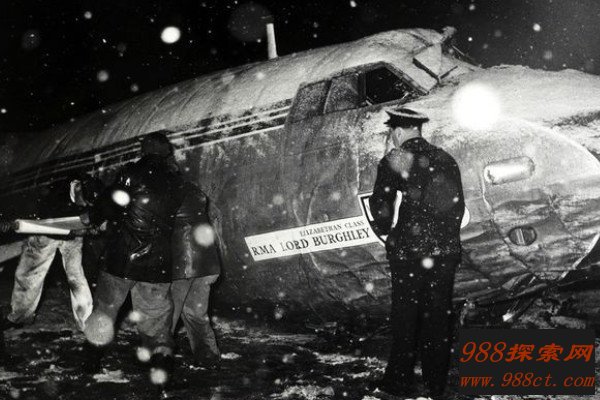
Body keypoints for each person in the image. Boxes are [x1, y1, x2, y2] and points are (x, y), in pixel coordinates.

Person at [369, 108, 464, 399]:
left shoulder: (397, 158)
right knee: (438, 318)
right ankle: (436, 385)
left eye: (392, 134)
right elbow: (457, 206)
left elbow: (381, 205)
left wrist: (385, 230)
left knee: (406, 318)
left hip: (410, 253)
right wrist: (444, 240)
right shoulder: (445, 158)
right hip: (444, 252)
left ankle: (399, 382)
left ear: (397, 132)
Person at [83, 132, 184, 385]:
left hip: (121, 259)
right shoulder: (176, 180)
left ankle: (91, 362)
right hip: (157, 264)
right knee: (157, 323)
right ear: (167, 152)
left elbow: (110, 204)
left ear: (144, 151)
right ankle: (162, 372)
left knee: (105, 311)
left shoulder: (132, 173)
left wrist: (94, 218)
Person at [2, 175, 101, 332]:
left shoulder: (93, 187)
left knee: (76, 277)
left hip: (75, 234)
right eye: (83, 202)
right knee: (30, 275)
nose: (84, 206)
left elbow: (97, 215)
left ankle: (86, 321)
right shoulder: (52, 191)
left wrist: (94, 225)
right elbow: (32, 213)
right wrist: (11, 221)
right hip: (45, 233)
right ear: (77, 188)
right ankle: (20, 317)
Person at [171, 180, 222, 368]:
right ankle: (208, 358)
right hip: (206, 265)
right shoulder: (194, 192)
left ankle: (159, 365)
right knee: (196, 314)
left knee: (166, 317)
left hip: (180, 267)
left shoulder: (163, 194)